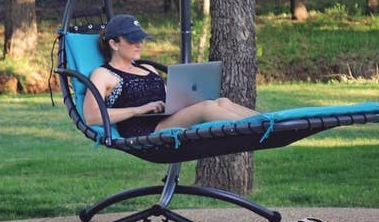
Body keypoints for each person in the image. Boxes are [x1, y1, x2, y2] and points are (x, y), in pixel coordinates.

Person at [83, 14, 259, 138]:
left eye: (141, 39)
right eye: (132, 40)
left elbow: (171, 97)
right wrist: (140, 109)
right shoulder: (103, 74)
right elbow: (92, 116)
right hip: (147, 130)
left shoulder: (147, 67)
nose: (139, 44)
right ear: (114, 43)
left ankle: (269, 121)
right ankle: (261, 129)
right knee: (207, 107)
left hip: (169, 118)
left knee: (221, 102)